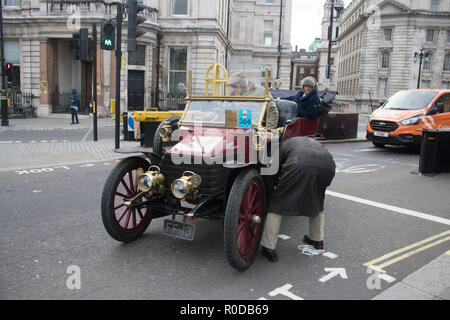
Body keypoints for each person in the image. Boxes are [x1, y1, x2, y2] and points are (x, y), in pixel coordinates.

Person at [260, 136, 336, 262]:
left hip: (301, 162)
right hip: (328, 164)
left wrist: (273, 189)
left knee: (277, 205)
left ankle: (268, 247)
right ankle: (317, 240)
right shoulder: (303, 141)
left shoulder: (283, 146)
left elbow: (272, 171)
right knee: (317, 200)